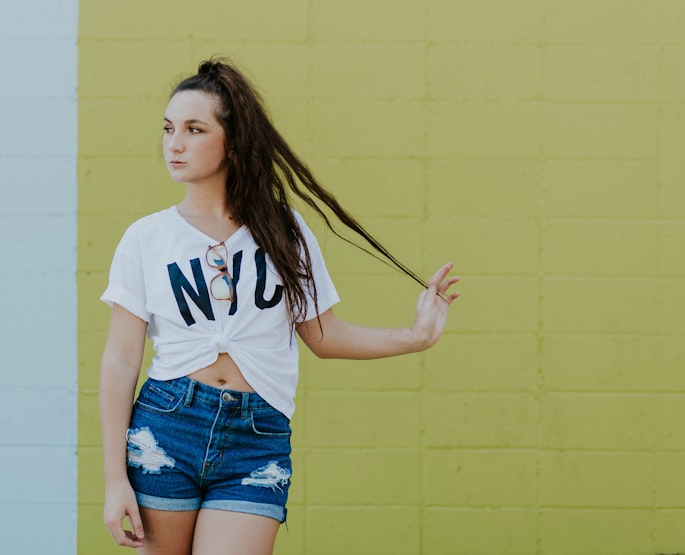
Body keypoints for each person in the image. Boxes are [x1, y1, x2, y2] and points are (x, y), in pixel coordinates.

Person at [99, 58, 460, 554]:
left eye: (194, 129)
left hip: (256, 438)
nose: (174, 143)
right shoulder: (145, 238)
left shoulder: (283, 231)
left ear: (232, 140)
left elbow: (323, 336)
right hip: (167, 427)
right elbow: (120, 360)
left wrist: (414, 336)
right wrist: (115, 479)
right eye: (168, 129)